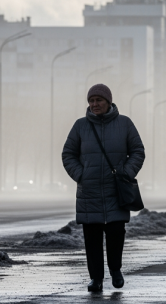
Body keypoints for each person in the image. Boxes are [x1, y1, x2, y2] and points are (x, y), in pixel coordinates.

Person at [62, 84, 145, 293]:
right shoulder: (80, 126)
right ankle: (96, 278)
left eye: (99, 100)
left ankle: (116, 271)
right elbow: (68, 154)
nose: (94, 104)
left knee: (116, 233)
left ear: (108, 101)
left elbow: (137, 151)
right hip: (88, 192)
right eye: (91, 100)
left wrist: (126, 172)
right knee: (92, 237)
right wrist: (81, 174)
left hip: (116, 190)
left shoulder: (124, 123)